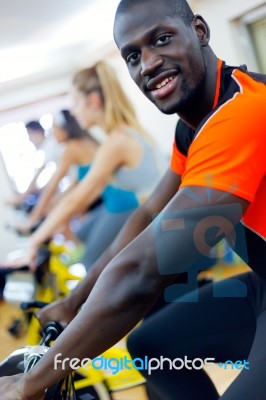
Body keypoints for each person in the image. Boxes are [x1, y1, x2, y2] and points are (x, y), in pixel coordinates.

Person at [0, 0, 265, 399]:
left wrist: (26, 386)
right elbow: (150, 212)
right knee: (152, 347)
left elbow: (143, 272)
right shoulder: (193, 127)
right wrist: (74, 300)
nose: (149, 63)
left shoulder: (243, 113)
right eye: (133, 56)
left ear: (200, 31)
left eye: (161, 40)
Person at [5, 60, 166, 270]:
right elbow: (79, 194)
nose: (73, 111)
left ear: (93, 100)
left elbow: (76, 198)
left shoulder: (117, 141)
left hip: (163, 232)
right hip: (157, 224)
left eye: (75, 103)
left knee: (92, 266)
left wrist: (34, 240)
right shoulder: (120, 133)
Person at [12, 109, 99, 235]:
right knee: (59, 213)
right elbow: (74, 180)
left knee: (61, 220)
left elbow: (54, 182)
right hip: (95, 194)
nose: (52, 133)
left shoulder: (71, 148)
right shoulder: (81, 142)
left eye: (54, 129)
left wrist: (34, 217)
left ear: (64, 129)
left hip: (98, 198)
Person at [7, 120, 63, 210]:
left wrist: (21, 197)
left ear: (39, 132)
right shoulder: (47, 146)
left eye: (30, 135)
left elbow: (39, 173)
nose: (29, 139)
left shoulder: (50, 145)